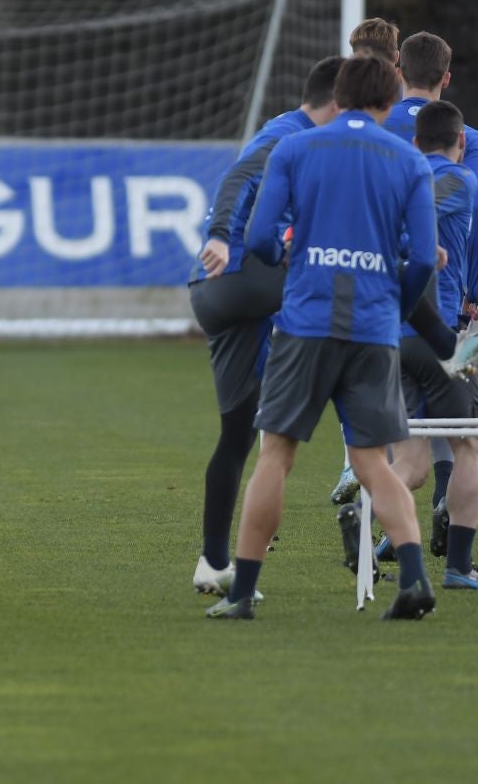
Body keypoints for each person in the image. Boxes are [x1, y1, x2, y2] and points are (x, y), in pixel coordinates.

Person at [208, 56, 439, 620]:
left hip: (306, 322)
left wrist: (287, 257)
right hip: (374, 328)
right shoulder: (410, 160)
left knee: (276, 457)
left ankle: (241, 595)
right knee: (372, 463)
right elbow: (423, 259)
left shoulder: (295, 148)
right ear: (389, 102)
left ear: (338, 96)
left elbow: (260, 237)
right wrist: (396, 304)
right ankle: (412, 580)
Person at [188, 55, 344, 601]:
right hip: (239, 275)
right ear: (335, 104)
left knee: (237, 436)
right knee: (353, 289)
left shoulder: (298, 133)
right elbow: (239, 176)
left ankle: (212, 562)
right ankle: (365, 439)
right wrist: (220, 235)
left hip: (217, 296)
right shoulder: (290, 133)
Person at [383, 100, 478, 591]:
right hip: (439, 338)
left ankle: (372, 519)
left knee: (409, 463)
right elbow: (476, 223)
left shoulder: (395, 183)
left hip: (393, 336)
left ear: (414, 143)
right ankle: (458, 567)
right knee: (470, 446)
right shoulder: (462, 181)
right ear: (460, 144)